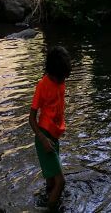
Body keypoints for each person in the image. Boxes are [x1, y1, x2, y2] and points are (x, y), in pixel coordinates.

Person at [29, 46, 72, 209]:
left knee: (52, 180)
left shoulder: (60, 78)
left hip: (54, 136)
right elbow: (31, 118)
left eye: (64, 78)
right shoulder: (42, 85)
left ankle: (47, 198)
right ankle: (49, 209)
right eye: (60, 78)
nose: (63, 82)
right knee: (61, 182)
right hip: (44, 137)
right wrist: (43, 139)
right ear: (52, 73)